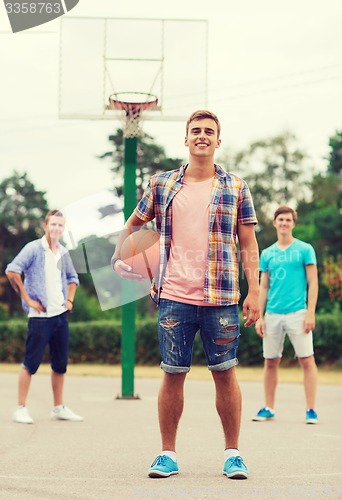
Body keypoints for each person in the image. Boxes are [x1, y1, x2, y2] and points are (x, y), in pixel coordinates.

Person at [111, 110, 260, 479]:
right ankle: (167, 454)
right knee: (173, 373)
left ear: (218, 141)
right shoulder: (161, 184)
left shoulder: (237, 187)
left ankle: (232, 454)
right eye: (196, 131)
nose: (202, 136)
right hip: (174, 296)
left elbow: (248, 242)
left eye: (209, 131)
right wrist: (119, 257)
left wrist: (254, 290)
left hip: (222, 296)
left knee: (225, 373)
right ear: (186, 138)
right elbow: (134, 223)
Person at [5, 210, 83, 424]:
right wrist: (27, 299)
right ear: (45, 225)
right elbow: (12, 270)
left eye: (60, 225)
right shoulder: (33, 248)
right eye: (53, 224)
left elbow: (72, 278)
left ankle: (58, 408)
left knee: (60, 365)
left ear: (63, 228)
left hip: (60, 316)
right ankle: (20, 408)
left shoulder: (63, 253)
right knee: (30, 363)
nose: (56, 228)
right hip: (39, 317)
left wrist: (69, 301)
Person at [252, 206, 319, 424]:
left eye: (288, 220)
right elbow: (263, 287)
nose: (284, 223)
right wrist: (259, 316)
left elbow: (313, 282)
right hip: (272, 314)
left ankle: (311, 410)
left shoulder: (305, 249)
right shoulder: (267, 253)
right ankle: (268, 407)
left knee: (306, 360)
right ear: (274, 223)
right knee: (270, 362)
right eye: (280, 219)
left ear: (293, 223)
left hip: (298, 313)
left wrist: (310, 312)